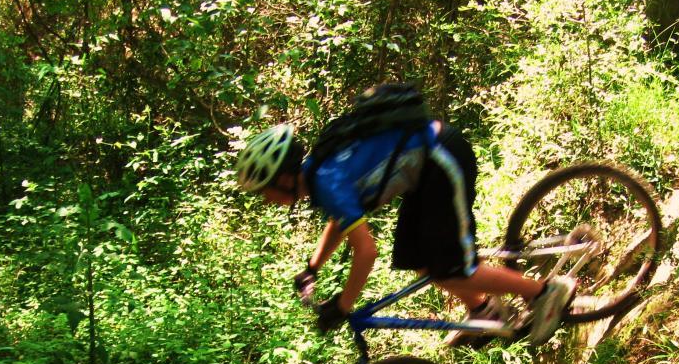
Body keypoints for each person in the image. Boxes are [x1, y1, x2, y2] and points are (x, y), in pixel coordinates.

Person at [236, 119, 575, 345]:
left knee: (453, 268)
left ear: (282, 178)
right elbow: (340, 221)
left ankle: (543, 293)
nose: (265, 199)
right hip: (423, 172)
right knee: (420, 260)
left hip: (442, 158)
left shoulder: (326, 181)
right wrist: (312, 268)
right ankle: (485, 311)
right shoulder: (318, 176)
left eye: (264, 189)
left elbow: (366, 252)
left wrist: (343, 305)